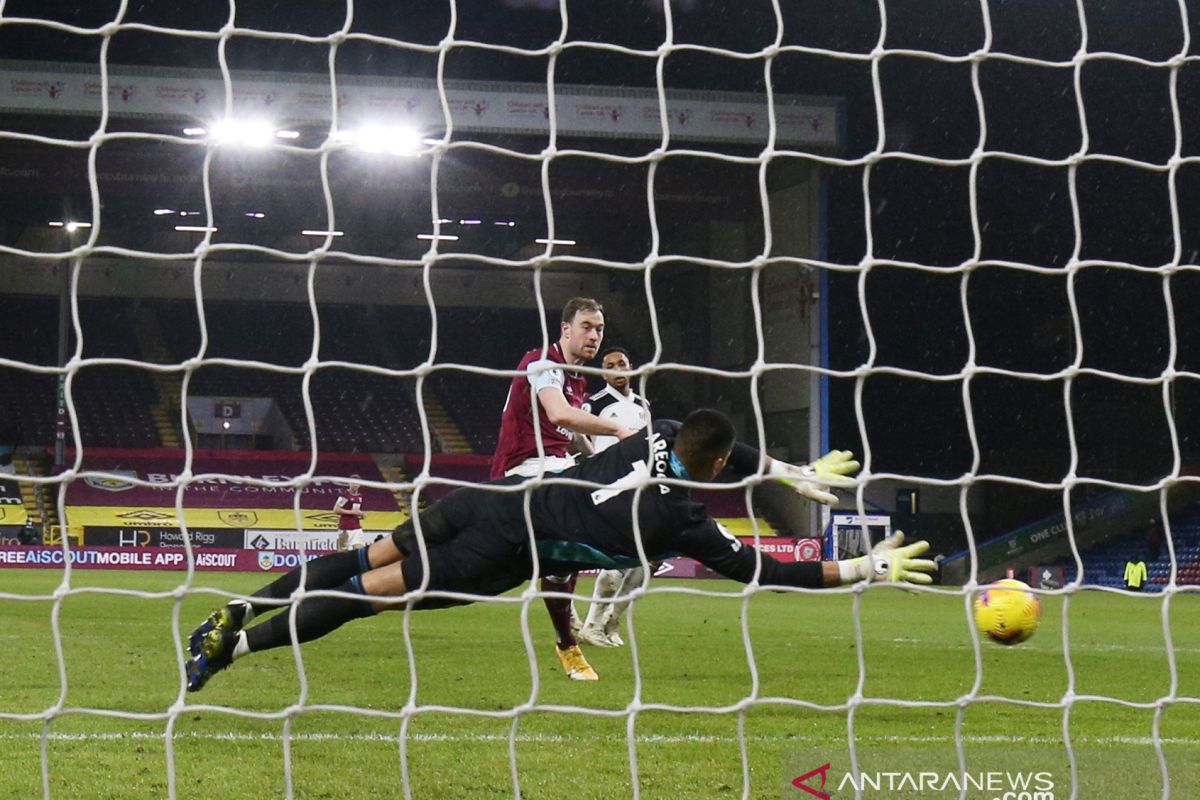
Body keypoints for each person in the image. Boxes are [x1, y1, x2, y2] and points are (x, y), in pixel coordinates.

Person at [184, 409, 934, 693]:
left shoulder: (659, 429)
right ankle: (232, 650)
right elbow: (772, 570)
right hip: (503, 551)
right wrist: (866, 565)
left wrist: (781, 468)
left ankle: (235, 608)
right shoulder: (685, 524)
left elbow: (712, 447)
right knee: (358, 598)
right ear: (710, 472)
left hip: (490, 499)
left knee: (358, 558)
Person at [490, 297, 635, 681]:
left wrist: (595, 454)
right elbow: (558, 414)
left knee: (562, 558)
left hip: (556, 467)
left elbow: (568, 435)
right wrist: (619, 431)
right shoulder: (542, 363)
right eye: (586, 326)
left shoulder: (578, 379)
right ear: (565, 329)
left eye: (600, 329)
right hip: (522, 470)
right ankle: (570, 621)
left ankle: (567, 637)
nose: (594, 335)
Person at [578, 346, 652, 648]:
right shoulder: (595, 403)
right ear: (603, 372)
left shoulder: (642, 405)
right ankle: (592, 625)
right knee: (616, 560)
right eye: (609, 365)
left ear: (630, 366)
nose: (617, 369)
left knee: (645, 563)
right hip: (608, 489)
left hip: (640, 488)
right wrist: (594, 460)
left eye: (622, 363)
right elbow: (574, 432)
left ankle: (611, 621)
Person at [334, 476, 367, 550]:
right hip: (345, 528)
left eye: (357, 483)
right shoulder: (345, 496)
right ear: (349, 483)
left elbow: (357, 510)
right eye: (353, 483)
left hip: (356, 528)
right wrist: (352, 512)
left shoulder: (360, 496)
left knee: (360, 551)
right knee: (342, 553)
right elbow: (336, 509)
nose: (355, 485)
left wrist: (361, 515)